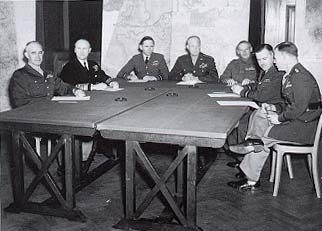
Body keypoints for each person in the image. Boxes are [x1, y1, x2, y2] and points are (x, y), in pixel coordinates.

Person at [228, 42, 322, 190]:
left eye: (276, 57)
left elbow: (299, 107)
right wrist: (274, 107)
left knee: (264, 136)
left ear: (285, 57)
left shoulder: (300, 77)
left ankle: (251, 177)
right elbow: (289, 103)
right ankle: (251, 145)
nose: (275, 61)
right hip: (298, 121)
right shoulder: (291, 75)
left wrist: (279, 118)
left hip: (305, 127)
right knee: (261, 114)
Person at [225, 44, 284, 174]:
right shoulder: (266, 71)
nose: (261, 63)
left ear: (273, 57)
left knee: (244, 124)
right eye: (258, 60)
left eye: (264, 59)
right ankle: (243, 162)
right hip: (265, 108)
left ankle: (246, 168)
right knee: (241, 122)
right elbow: (259, 87)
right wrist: (248, 86)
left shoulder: (277, 73)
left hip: (272, 112)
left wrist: (242, 92)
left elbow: (262, 96)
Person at [9, 41, 85, 108]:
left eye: (40, 52)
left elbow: (64, 88)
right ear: (27, 55)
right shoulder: (20, 75)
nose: (38, 57)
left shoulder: (49, 74)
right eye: (33, 53)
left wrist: (75, 90)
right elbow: (20, 103)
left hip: (50, 112)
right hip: (33, 116)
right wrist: (48, 105)